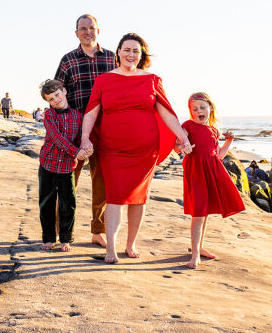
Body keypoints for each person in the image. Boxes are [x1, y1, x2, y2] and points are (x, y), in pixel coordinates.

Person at [81, 33, 193, 264]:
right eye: (127, 50)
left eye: (136, 51)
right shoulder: (104, 80)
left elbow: (166, 112)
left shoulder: (152, 79)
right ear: (118, 53)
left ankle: (130, 244)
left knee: (138, 198)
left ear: (141, 56)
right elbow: (91, 112)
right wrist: (85, 139)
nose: (131, 54)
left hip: (144, 150)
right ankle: (110, 248)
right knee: (114, 197)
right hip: (112, 148)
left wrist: (182, 136)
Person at [55, 14, 116, 248]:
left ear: (98, 30)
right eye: (82, 28)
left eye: (91, 28)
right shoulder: (68, 60)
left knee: (101, 183)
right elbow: (57, 95)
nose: (87, 32)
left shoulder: (112, 59)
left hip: (105, 129)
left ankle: (97, 231)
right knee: (69, 182)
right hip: (74, 131)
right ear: (76, 33)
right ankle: (63, 232)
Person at [181, 92, 246, 269]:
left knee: (205, 211)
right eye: (194, 109)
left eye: (202, 107)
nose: (198, 111)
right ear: (191, 112)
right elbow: (177, 145)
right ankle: (195, 254)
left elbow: (219, 155)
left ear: (210, 108)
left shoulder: (214, 130)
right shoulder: (188, 126)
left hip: (212, 171)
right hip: (196, 172)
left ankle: (199, 247)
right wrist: (183, 147)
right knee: (198, 212)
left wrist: (229, 141)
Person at [38, 79, 89, 252]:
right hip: (48, 165)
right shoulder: (49, 115)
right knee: (47, 203)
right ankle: (48, 238)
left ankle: (66, 239)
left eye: (57, 95)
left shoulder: (78, 116)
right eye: (50, 99)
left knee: (68, 204)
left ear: (64, 91)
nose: (55, 100)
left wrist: (86, 149)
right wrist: (75, 152)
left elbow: (82, 138)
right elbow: (56, 137)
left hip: (67, 168)